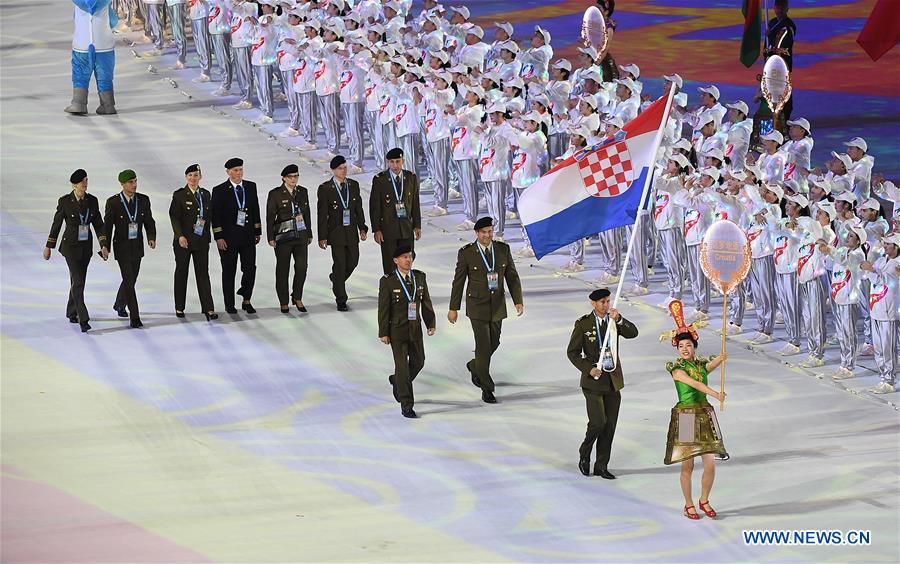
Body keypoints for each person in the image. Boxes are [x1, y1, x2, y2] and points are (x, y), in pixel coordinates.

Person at [662, 299, 728, 520]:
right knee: (687, 465)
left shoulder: (699, 365)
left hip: (704, 415)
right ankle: (688, 503)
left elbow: (709, 366)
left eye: (688, 345)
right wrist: (716, 394)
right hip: (687, 417)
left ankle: (704, 499)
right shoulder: (676, 369)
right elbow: (696, 384)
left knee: (710, 464)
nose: (684, 349)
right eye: (681, 346)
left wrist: (721, 357)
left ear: (694, 347)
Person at [448, 217, 524, 403]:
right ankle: (487, 387)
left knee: (494, 342)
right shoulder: (467, 253)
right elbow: (459, 281)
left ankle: (475, 366)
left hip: (497, 304)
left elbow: (512, 276)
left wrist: (518, 300)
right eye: (483, 232)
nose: (487, 235)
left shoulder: (502, 249)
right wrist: (453, 308)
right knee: (483, 346)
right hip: (477, 306)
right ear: (476, 233)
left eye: (490, 231)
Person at [567, 288, 639, 479]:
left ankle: (601, 465)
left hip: (612, 381)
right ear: (593, 303)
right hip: (593, 382)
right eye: (602, 302)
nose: (606, 305)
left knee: (610, 426)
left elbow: (633, 333)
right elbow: (572, 353)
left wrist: (620, 319)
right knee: (598, 422)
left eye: (608, 301)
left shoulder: (614, 322)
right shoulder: (583, 324)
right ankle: (585, 452)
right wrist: (588, 368)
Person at [43, 169, 109, 332]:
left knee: (78, 281)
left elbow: (99, 224)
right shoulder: (65, 201)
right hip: (70, 248)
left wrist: (104, 244)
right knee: (78, 282)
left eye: (86, 180)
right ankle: (83, 318)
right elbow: (56, 224)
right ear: (75, 184)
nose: (85, 183)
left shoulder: (92, 201)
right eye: (82, 181)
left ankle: (71, 311)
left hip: (85, 248)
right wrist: (48, 246)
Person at [378, 246, 436, 419]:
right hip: (396, 330)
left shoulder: (420, 277)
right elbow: (383, 308)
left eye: (410, 257)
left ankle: (397, 381)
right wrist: (383, 332)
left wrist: (430, 322)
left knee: (419, 362)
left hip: (415, 328)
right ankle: (406, 404)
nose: (408, 260)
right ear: (396, 260)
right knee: (402, 367)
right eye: (404, 257)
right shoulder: (388, 281)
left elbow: (425, 302)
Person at [103, 169, 157, 328]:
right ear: (122, 184)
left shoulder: (143, 200)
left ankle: (119, 303)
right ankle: (135, 316)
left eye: (135, 181)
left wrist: (151, 237)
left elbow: (149, 221)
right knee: (128, 279)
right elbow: (107, 226)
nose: (134, 185)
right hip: (122, 247)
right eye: (130, 182)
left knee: (131, 279)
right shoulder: (113, 202)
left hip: (137, 246)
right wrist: (104, 245)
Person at [317, 155, 368, 311]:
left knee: (353, 260)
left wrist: (362, 227)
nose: (343, 171)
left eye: (345, 167)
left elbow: (358, 208)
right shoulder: (325, 189)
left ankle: (336, 280)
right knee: (340, 264)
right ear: (333, 170)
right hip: (336, 232)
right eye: (340, 168)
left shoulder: (353, 185)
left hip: (351, 231)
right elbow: (322, 214)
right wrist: (322, 236)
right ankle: (341, 298)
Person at [211, 157, 261, 315]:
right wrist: (219, 237)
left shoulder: (250, 186)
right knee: (229, 271)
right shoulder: (219, 190)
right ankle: (229, 303)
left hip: (247, 237)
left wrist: (257, 230)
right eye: (235, 170)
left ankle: (246, 299)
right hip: (228, 239)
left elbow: (255, 209)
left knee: (250, 269)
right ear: (228, 172)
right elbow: (215, 215)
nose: (239, 173)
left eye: (240, 169)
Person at [168, 163, 217, 320]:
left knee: (203, 274)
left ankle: (208, 308)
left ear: (200, 177)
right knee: (182, 273)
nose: (193, 178)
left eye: (196, 175)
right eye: (190, 175)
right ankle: (179, 307)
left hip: (201, 241)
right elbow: (174, 217)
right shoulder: (179, 195)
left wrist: (211, 237)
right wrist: (179, 236)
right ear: (186, 177)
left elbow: (209, 218)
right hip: (184, 241)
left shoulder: (206, 195)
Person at [266, 164, 312, 313]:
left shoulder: (303, 192)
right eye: (290, 177)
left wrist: (309, 232)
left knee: (302, 267)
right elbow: (270, 216)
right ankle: (283, 301)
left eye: (296, 176)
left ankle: (297, 296)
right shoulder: (276, 194)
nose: (293, 179)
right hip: (283, 237)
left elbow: (307, 214)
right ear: (284, 178)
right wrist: (270, 236)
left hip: (300, 236)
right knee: (282, 270)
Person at [370, 148, 422, 275]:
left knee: (407, 259)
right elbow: (375, 207)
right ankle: (391, 289)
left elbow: (415, 203)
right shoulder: (380, 180)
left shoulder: (410, 178)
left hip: (406, 228)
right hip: (388, 229)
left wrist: (417, 225)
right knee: (389, 261)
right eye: (392, 162)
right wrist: (376, 229)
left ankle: (404, 287)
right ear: (387, 162)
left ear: (403, 161)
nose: (395, 165)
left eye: (398, 161)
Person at [66, 0, 118, 115]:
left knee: (80, 74)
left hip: (82, 44)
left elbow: (75, 18)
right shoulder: (104, 3)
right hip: (104, 45)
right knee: (105, 75)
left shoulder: (78, 4)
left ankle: (78, 103)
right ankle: (108, 105)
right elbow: (114, 21)